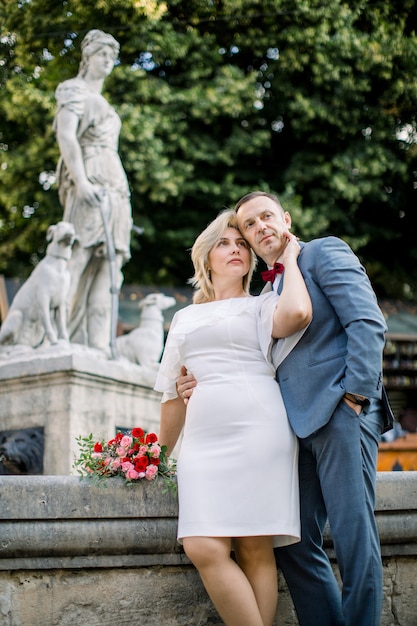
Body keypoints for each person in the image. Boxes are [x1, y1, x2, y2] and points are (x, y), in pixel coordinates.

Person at [178, 191, 394, 626]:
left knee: (354, 540)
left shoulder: (322, 252)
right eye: (250, 226)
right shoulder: (268, 291)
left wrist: (354, 398)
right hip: (294, 429)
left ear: (286, 219)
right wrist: (201, 379)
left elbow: (367, 323)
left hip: (341, 415)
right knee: (294, 545)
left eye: (266, 218)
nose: (259, 228)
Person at [154, 208, 312, 626]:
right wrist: (157, 456)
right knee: (203, 545)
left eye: (242, 243)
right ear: (206, 256)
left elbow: (298, 314)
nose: (235, 249)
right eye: (224, 242)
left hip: (261, 429)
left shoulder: (264, 305)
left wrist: (290, 258)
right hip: (204, 440)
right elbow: (173, 393)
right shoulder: (184, 318)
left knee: (255, 547)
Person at [53, 29, 132, 353]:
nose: (109, 63)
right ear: (87, 56)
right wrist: (82, 180)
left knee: (110, 268)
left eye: (113, 58)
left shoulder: (103, 102)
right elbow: (66, 136)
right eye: (103, 55)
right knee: (78, 257)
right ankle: (59, 335)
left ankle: (99, 345)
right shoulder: (74, 90)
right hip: (91, 181)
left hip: (116, 189)